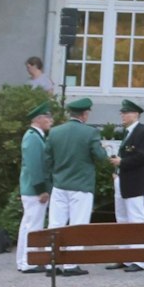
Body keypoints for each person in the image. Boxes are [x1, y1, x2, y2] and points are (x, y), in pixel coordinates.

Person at [46, 97, 110, 245]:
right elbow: (100, 157)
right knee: (78, 226)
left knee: (55, 224)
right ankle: (71, 264)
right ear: (84, 114)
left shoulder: (55, 132)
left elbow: (47, 160)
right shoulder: (90, 132)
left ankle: (52, 261)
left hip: (60, 184)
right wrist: (103, 149)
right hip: (82, 185)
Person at [110, 100, 144, 272]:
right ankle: (125, 256)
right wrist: (118, 168)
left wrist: (122, 162)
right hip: (124, 180)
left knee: (136, 219)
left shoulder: (141, 132)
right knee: (122, 219)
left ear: (136, 114)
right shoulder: (128, 132)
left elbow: (142, 157)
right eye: (122, 112)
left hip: (135, 182)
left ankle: (139, 259)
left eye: (126, 112)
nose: (123, 115)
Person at [15, 103, 53, 273]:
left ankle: (24, 260)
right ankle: (28, 261)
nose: (50, 120)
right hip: (34, 189)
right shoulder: (32, 137)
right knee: (33, 226)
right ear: (39, 119)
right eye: (47, 117)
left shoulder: (35, 136)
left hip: (31, 188)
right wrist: (41, 189)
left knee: (28, 224)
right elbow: (34, 165)